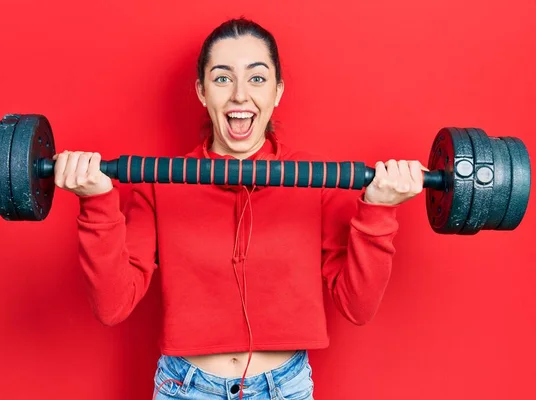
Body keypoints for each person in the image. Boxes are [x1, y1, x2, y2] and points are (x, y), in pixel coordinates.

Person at [52, 18, 424, 400]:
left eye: (257, 79)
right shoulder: (160, 184)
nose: (240, 96)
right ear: (202, 91)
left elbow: (357, 307)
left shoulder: (318, 181)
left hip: (286, 389)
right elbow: (112, 307)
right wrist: (96, 202)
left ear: (278, 91)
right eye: (222, 78)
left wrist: (379, 210)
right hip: (185, 388)